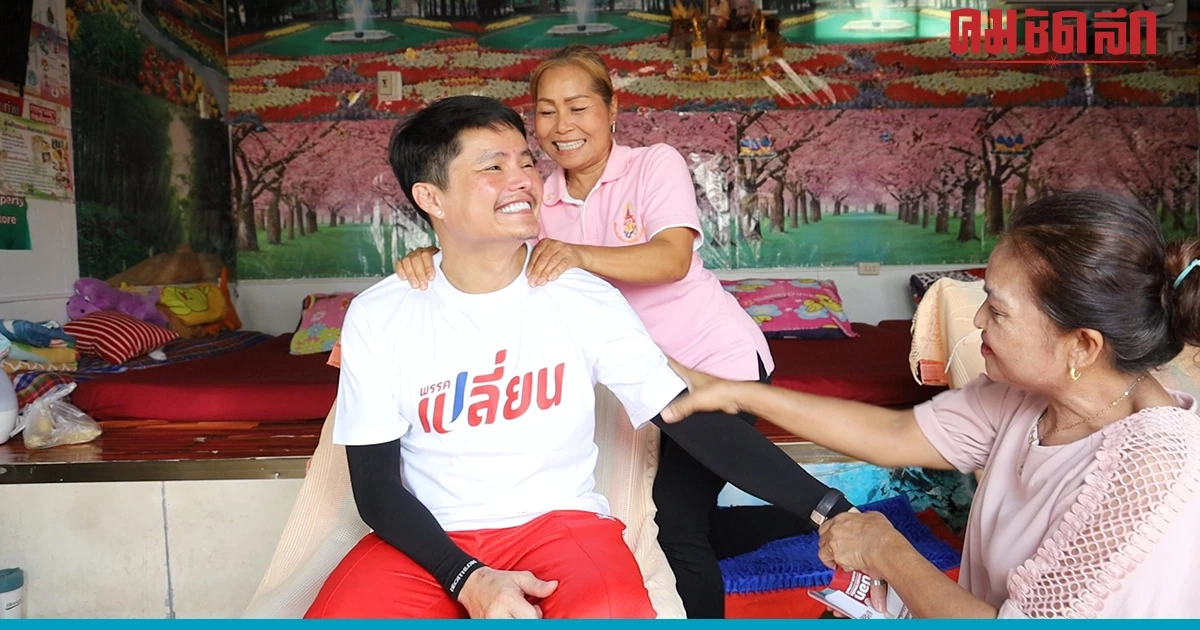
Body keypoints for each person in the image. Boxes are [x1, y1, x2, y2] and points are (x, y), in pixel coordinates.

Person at [308, 95, 852, 619]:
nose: (523, 179)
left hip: (560, 528)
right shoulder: (380, 313)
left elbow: (687, 416)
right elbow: (376, 489)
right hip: (427, 538)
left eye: (526, 161)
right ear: (432, 198)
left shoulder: (581, 297)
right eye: (493, 167)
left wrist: (829, 508)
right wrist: (466, 577)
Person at [659, 190, 1200, 618]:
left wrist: (887, 551)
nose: (978, 320)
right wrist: (738, 391)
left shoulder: (1152, 471)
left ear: (1081, 345)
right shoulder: (1030, 399)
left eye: (998, 310)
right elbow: (896, 435)